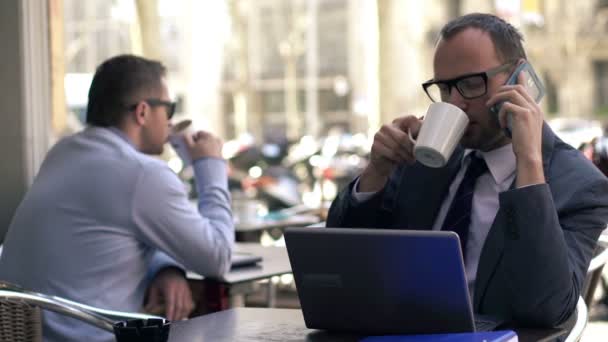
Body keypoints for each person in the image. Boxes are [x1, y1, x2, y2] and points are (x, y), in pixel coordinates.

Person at [327, 13, 608, 329]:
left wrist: (529, 160)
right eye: (445, 89)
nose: (456, 102)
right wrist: (375, 174)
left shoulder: (580, 186)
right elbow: (339, 266)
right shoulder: (423, 159)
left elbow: (544, 307)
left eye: (472, 84)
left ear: (521, 80)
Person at [0, 55, 234, 342]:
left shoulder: (63, 152)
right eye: (169, 108)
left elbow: (107, 238)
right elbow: (219, 258)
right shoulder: (142, 174)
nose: (171, 120)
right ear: (143, 112)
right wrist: (210, 166)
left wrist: (165, 267)